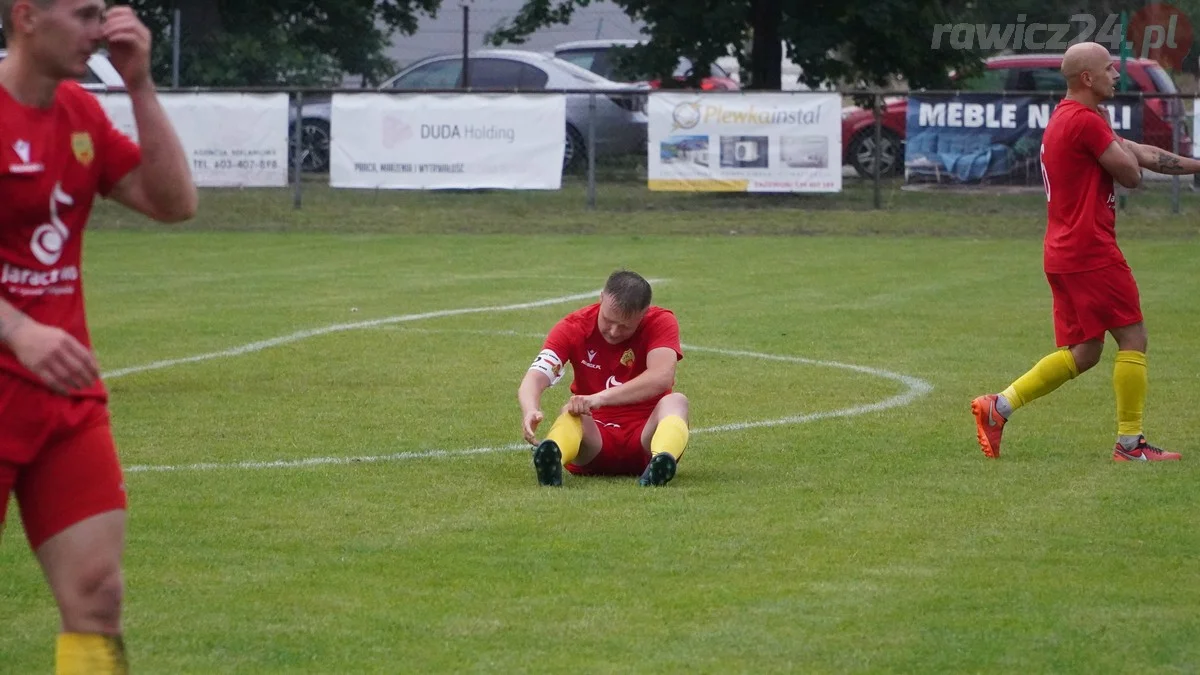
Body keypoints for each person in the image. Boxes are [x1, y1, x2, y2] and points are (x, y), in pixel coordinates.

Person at [0, 0, 197, 671]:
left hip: (64, 397)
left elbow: (173, 203)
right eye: (85, 14)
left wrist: (140, 85)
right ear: (27, 16)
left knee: (97, 594)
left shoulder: (80, 112)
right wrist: (18, 329)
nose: (103, 29)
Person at [972, 41, 1200, 462]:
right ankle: (1131, 445)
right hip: (1090, 250)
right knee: (1133, 336)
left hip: (1062, 252)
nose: (1118, 75)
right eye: (1111, 69)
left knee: (1086, 351)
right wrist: (1120, 153)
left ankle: (997, 407)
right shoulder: (1086, 122)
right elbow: (1132, 175)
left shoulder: (1072, 118)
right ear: (1087, 78)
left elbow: (1145, 154)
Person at [518, 270, 690, 486]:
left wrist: (599, 398)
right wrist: (530, 409)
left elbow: (661, 377)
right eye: (608, 320)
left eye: (625, 326)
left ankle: (661, 462)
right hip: (595, 441)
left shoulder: (660, 321)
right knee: (571, 412)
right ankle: (553, 458)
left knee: (677, 401)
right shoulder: (573, 326)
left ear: (644, 313)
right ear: (601, 298)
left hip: (647, 438)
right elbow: (535, 376)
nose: (614, 331)